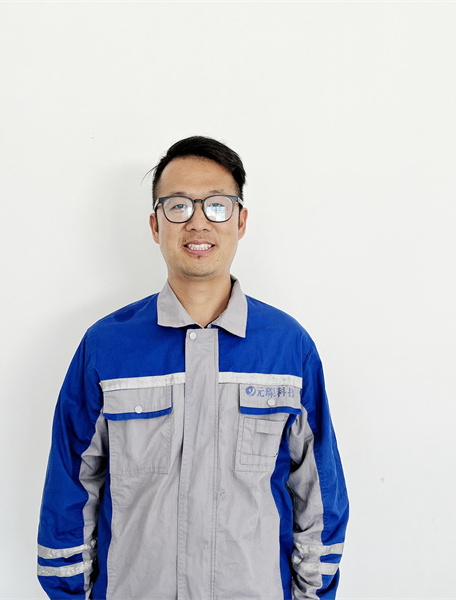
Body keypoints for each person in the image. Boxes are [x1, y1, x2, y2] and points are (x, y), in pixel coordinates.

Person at [37, 136, 349, 599]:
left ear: (241, 221)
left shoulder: (287, 349)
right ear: (155, 223)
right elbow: (70, 489)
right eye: (178, 206)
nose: (198, 221)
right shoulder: (107, 348)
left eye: (217, 206)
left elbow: (319, 497)